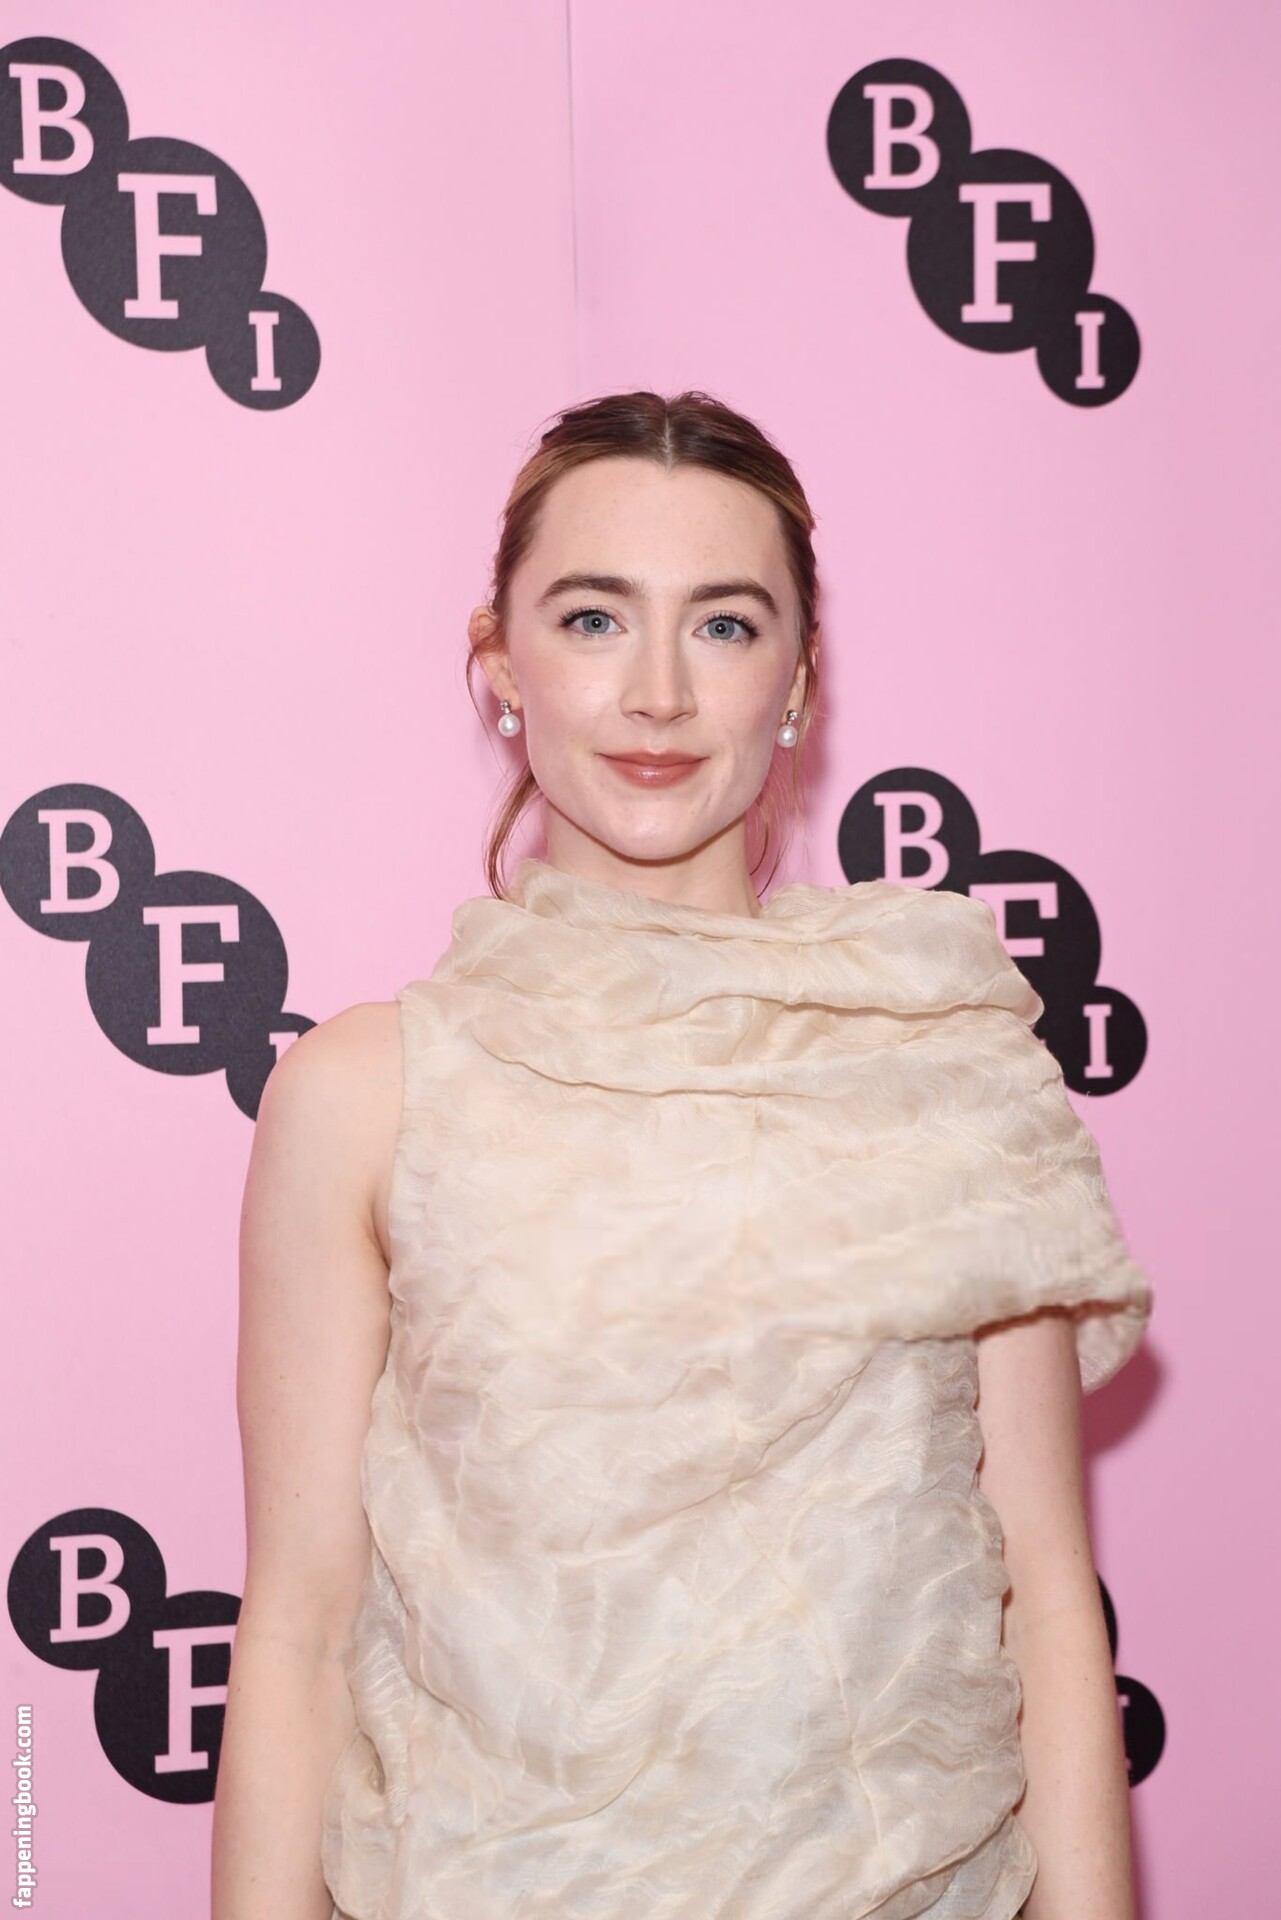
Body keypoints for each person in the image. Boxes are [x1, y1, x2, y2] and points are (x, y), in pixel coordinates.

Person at [211, 390, 1152, 1920]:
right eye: (592, 619)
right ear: (500, 665)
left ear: (798, 684)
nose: (655, 692)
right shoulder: (368, 1096)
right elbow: (304, 1625)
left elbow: (1044, 1600)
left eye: (722, 626)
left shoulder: (944, 1063)